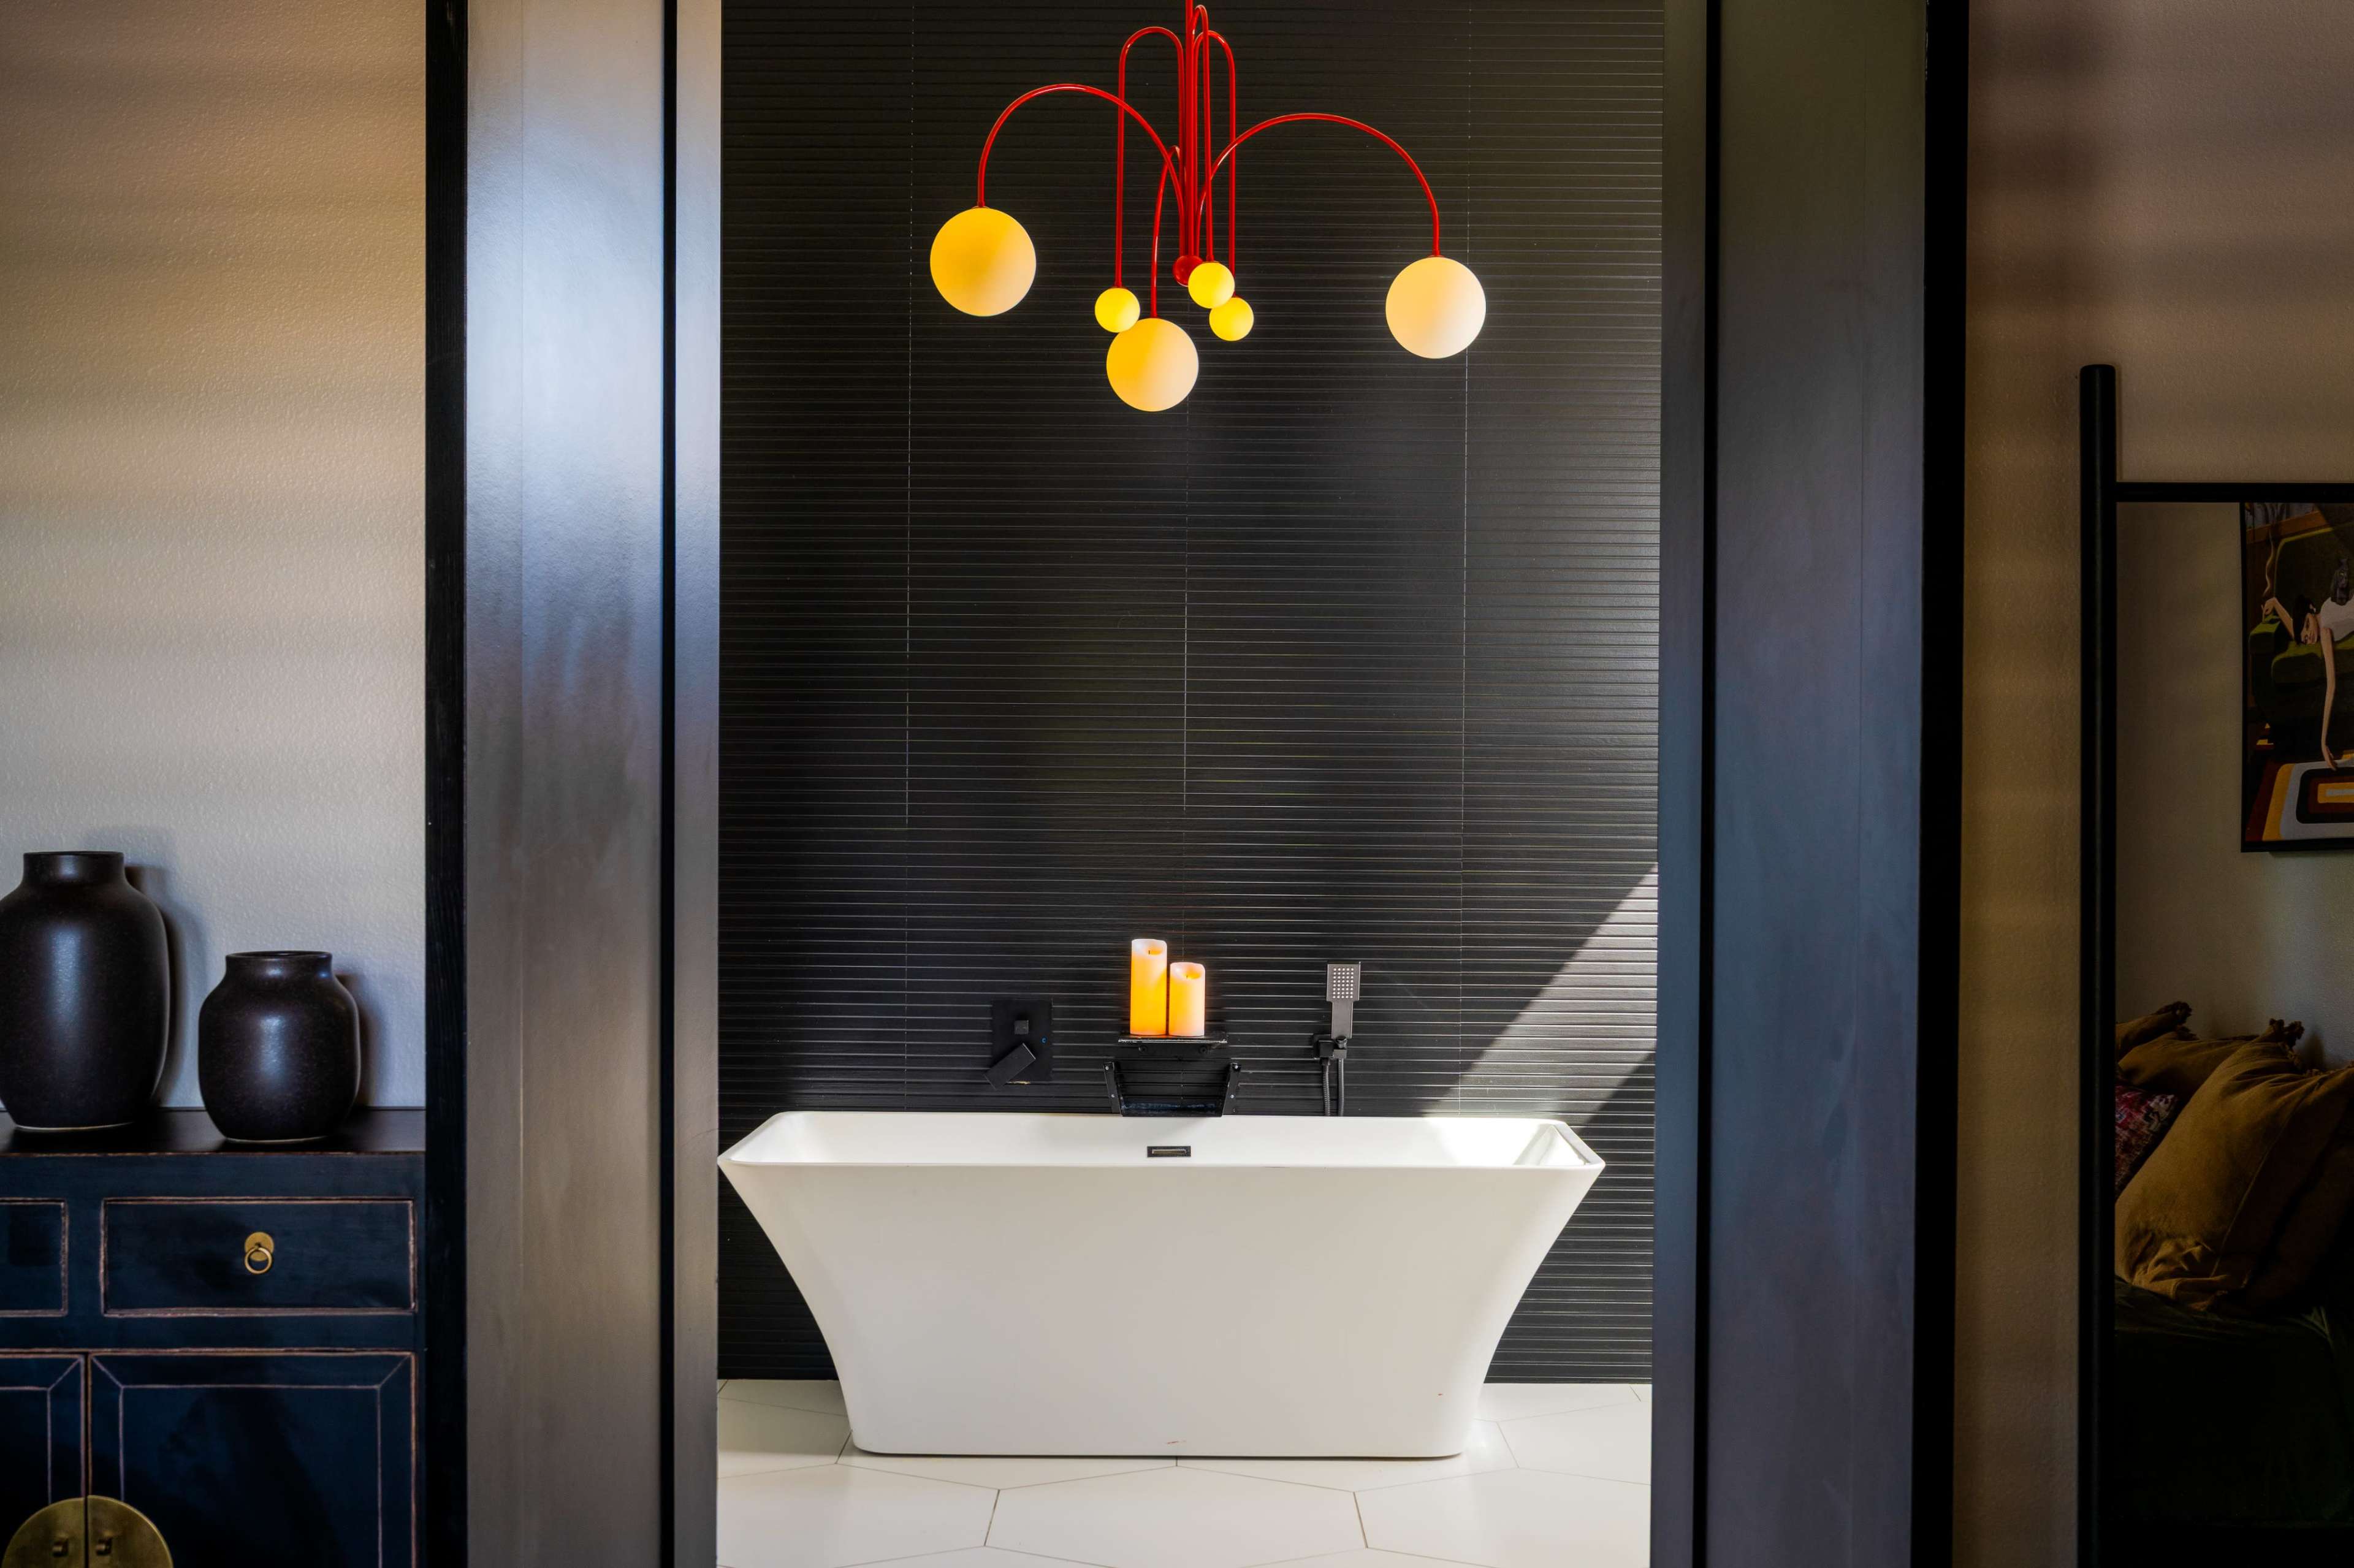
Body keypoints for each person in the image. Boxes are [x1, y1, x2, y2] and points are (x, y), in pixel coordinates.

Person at [2302, 556, 2354, 768]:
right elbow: (2331, 685)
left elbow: (2331, 686)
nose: (2308, 636)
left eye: (2306, 626)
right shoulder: (2323, 626)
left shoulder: (2323, 623)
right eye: (2305, 639)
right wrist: (2275, 603)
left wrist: (2323, 742)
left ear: (2312, 611)